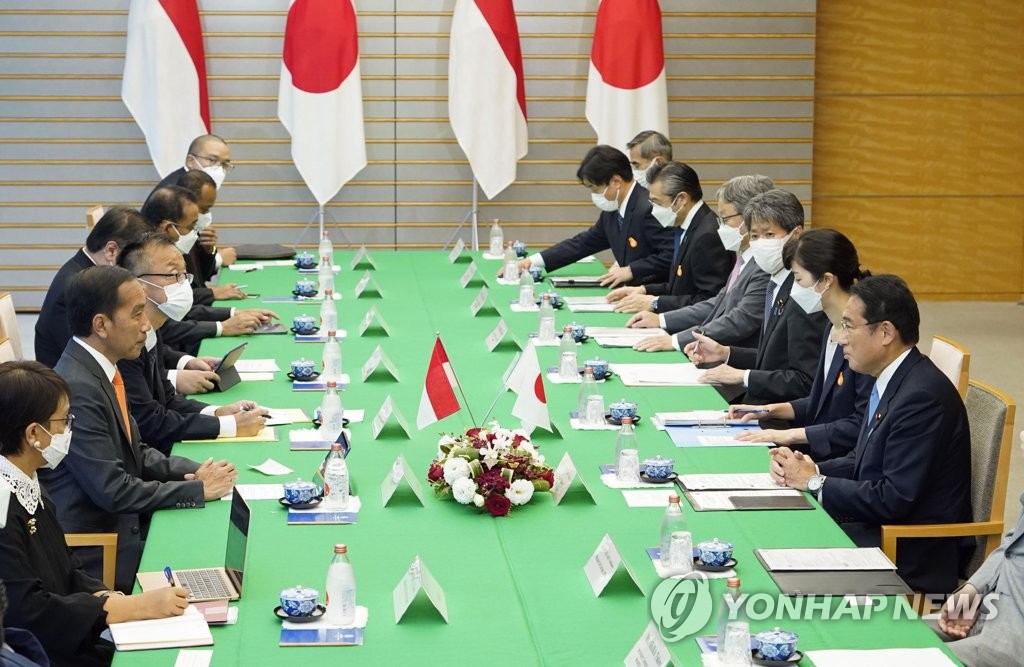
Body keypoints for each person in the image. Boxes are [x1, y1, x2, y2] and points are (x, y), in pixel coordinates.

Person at [768, 275, 973, 593]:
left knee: (780, 558)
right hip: (877, 528)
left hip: (907, 552)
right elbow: (862, 460)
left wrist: (815, 482)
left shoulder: (922, 398)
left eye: (849, 327)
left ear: (886, 332)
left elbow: (893, 498)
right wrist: (808, 469)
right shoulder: (891, 377)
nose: (842, 338)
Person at [38, 266, 237, 593]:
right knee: (211, 572)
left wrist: (198, 471)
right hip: (100, 549)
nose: (147, 325)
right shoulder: (78, 387)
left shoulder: (100, 368)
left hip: (126, 525)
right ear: (101, 324)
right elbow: (112, 489)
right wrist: (197, 490)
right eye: (136, 314)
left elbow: (136, 451)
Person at [0, 360, 189, 667]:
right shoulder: (3, 505)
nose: (68, 430)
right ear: (34, 433)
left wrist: (107, 596)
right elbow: (28, 612)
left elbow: (67, 568)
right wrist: (131, 609)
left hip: (76, 633)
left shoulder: (29, 478)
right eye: (63, 421)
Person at [117, 234, 268, 453]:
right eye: (172, 275)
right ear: (140, 285)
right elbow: (149, 422)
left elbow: (167, 399)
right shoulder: (127, 343)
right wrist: (229, 426)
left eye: (183, 275)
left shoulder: (153, 329)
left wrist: (218, 412)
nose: (182, 284)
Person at [731, 228, 873, 458]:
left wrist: (793, 435)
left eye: (797, 279)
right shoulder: (831, 327)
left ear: (827, 280)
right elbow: (820, 402)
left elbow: (860, 422)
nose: (793, 289)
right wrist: (768, 410)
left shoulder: (862, 335)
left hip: (841, 458)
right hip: (819, 442)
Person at [681, 189, 826, 404]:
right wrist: (725, 353)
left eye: (769, 235)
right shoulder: (774, 281)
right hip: (757, 401)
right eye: (755, 235)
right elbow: (773, 358)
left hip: (779, 413)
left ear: (795, 234)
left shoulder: (804, 293)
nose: (759, 242)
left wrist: (744, 376)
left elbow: (805, 379)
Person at [626, 174, 773, 351]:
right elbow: (717, 304)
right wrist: (662, 320)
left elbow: (739, 320)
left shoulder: (764, 264)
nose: (721, 226)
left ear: (751, 217)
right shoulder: (744, 258)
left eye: (725, 219)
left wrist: (676, 341)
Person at [500, 145, 675, 288]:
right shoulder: (613, 211)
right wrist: (531, 262)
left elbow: (671, 255)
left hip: (654, 297)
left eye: (594, 188)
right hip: (629, 293)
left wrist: (631, 270)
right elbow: (582, 244)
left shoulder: (648, 208)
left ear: (615, 181)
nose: (594, 194)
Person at [140, 186, 277, 357]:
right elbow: (165, 326)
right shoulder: (145, 259)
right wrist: (222, 326)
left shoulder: (171, 247)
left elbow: (184, 304)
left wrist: (232, 313)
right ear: (168, 228)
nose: (195, 233)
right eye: (191, 227)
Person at [605, 161, 730, 314]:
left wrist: (655, 303)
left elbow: (709, 301)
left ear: (681, 199)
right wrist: (644, 290)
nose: (653, 210)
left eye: (657, 202)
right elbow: (679, 287)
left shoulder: (707, 236)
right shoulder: (685, 225)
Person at [34, 207, 150, 368]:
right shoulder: (77, 288)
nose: (138, 270)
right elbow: (94, 357)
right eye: (135, 261)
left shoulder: (90, 272)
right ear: (111, 251)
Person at [938, 458, 1024, 664]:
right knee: (881, 635)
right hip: (986, 615)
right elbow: (1014, 544)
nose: (1021, 436)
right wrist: (973, 590)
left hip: (1009, 642)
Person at [175, 169, 238, 292]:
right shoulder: (172, 236)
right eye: (204, 208)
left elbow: (201, 277)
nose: (207, 214)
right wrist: (212, 293)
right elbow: (182, 294)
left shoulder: (194, 231)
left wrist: (208, 250)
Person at [155, 133, 233, 191]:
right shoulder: (174, 193)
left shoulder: (194, 187)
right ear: (190, 161)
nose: (219, 169)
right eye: (212, 160)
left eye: (224, 164)